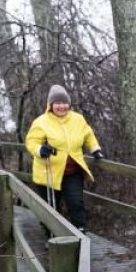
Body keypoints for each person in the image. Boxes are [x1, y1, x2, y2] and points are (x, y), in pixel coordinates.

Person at [24, 85, 104, 232]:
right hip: (49, 171)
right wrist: (40, 149)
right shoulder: (41, 122)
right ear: (50, 105)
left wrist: (95, 149)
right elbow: (31, 141)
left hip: (72, 170)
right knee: (50, 206)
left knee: (76, 202)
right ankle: (51, 234)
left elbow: (88, 135)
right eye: (57, 103)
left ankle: (80, 231)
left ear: (69, 104)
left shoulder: (78, 119)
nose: (61, 106)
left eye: (64, 103)